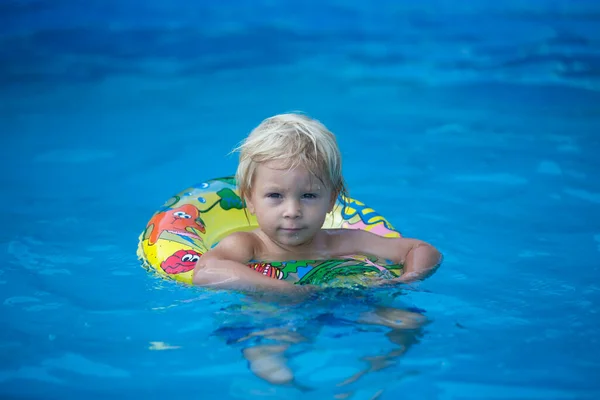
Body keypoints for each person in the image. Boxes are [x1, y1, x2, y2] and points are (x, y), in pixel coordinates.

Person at [193, 113, 441, 292]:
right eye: (275, 196)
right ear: (249, 199)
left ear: (332, 199)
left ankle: (380, 364)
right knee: (274, 338)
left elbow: (421, 250)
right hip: (270, 313)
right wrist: (286, 292)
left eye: (308, 196)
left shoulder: (343, 241)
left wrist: (405, 280)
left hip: (339, 306)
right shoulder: (249, 246)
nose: (292, 211)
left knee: (405, 320)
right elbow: (205, 271)